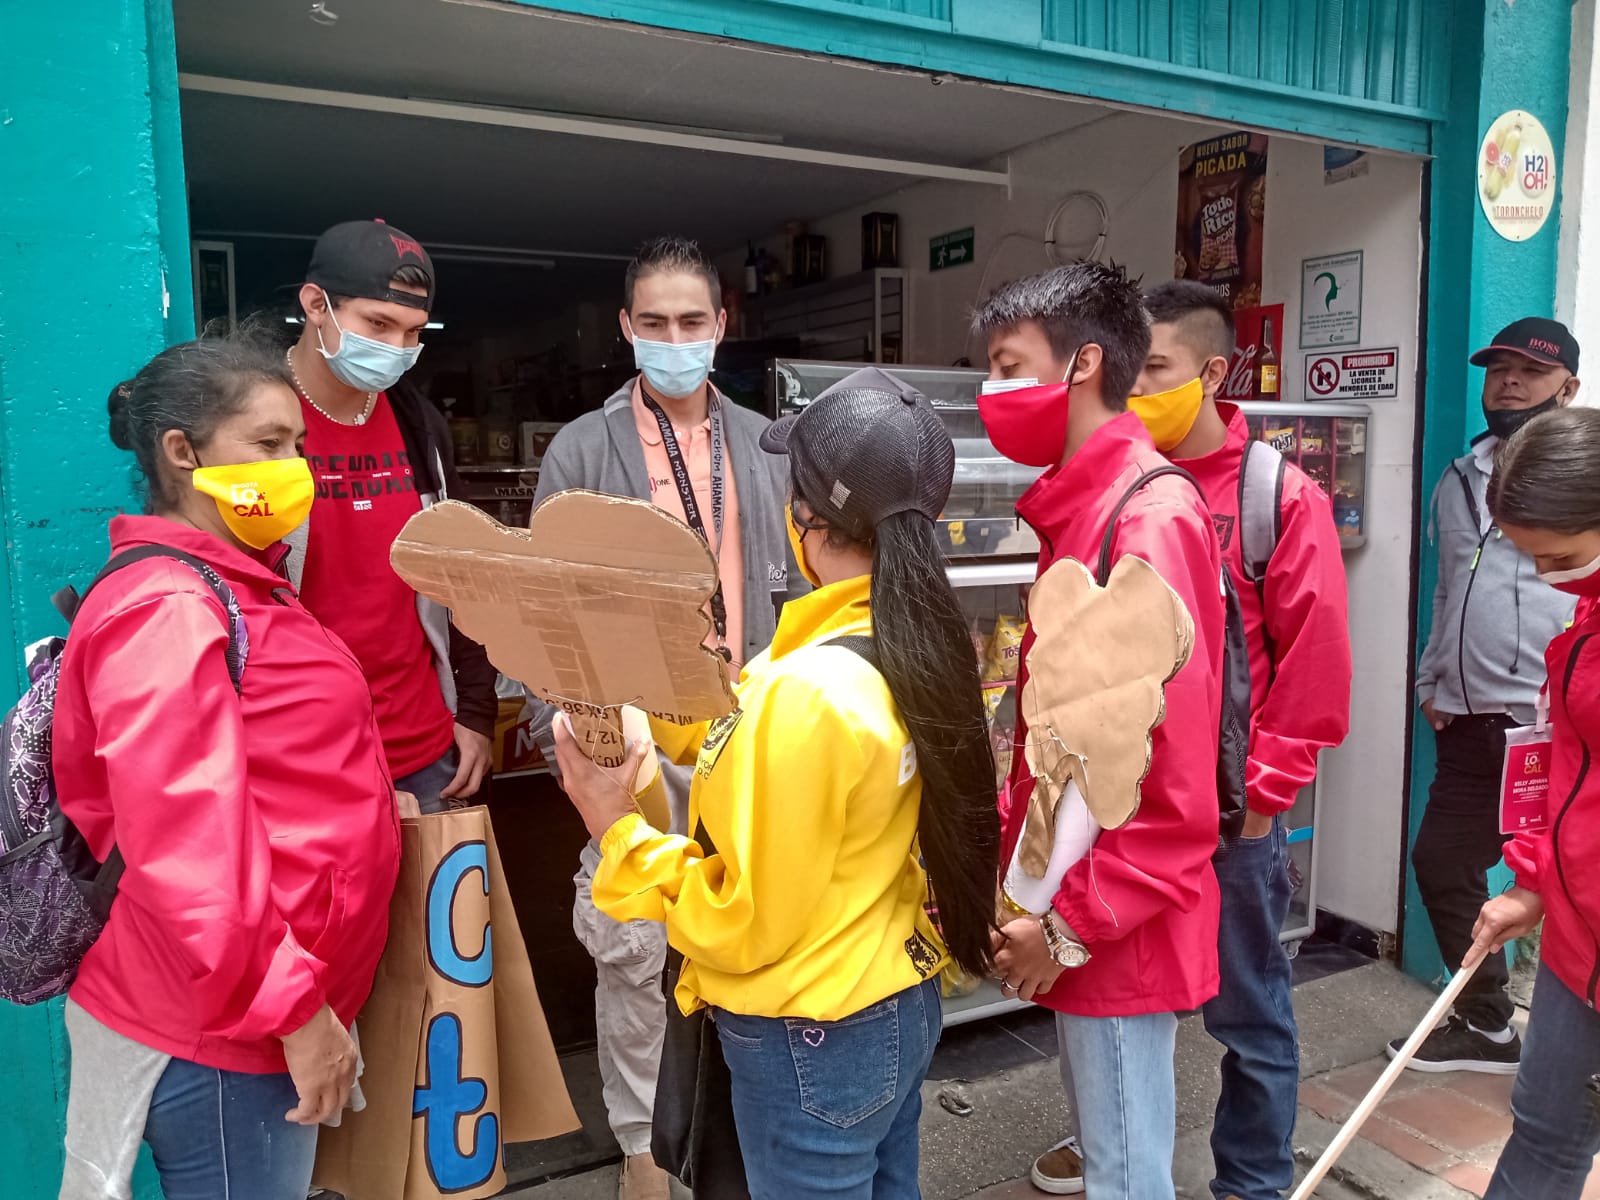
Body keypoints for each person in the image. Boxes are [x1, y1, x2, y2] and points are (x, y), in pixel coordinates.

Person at [550, 373, 1001, 1200]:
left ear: (810, 522)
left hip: (813, 1033)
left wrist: (613, 823)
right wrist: (667, 698)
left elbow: (742, 921)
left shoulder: (814, 690)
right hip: (890, 995)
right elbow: (747, 723)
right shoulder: (898, 640)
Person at [54, 335, 401, 1200]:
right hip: (225, 1025)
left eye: (299, 447)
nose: (296, 469)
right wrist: (296, 1014)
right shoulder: (169, 606)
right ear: (183, 451)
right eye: (270, 444)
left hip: (253, 1005)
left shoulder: (240, 585)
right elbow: (189, 848)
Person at [530, 235, 791, 1200]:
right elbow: (547, 609)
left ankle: (730, 1123)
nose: (674, 339)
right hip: (637, 740)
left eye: (693, 322)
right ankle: (640, 1145)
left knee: (748, 927)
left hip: (752, 736)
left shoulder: (769, 443)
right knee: (635, 946)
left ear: (722, 325)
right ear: (627, 329)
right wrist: (588, 733)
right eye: (655, 323)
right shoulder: (582, 450)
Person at [973, 262, 1226, 1200]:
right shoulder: (1085, 507)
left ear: (1081, 363)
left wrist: (1070, 925)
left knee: (1125, 1172)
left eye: (1010, 365)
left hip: (1117, 915)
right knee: (1107, 1147)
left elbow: (1171, 782)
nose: (994, 392)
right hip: (1083, 897)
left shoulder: (1145, 523)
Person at [1115, 281, 1351, 1200]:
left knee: (1249, 1017)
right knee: (1125, 1004)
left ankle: (1251, 1182)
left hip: (1227, 822)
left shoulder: (1275, 498)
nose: (1135, 390)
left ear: (1213, 374)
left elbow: (1316, 668)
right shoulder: (1128, 479)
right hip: (1129, 810)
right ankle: (1116, 1144)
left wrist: (1264, 800)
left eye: (1155, 371)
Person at [1397, 317, 1580, 1073]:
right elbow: (1448, 594)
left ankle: (1574, 1045)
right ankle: (1488, 1026)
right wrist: (1431, 678)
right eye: (1497, 368)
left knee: (1573, 878)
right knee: (1441, 863)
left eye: (1529, 372)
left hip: (1554, 730)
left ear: (1569, 388)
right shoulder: (1460, 476)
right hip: (1472, 725)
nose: (1508, 381)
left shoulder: (1583, 484)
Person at [284, 219, 496, 812]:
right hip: (301, 761)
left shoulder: (418, 423)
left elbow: (459, 572)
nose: (397, 349)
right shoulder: (256, 423)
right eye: (377, 324)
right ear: (315, 304)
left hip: (426, 751)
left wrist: (475, 709)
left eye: (412, 331)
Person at [1462, 405, 1600, 1199]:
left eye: (1563, 557)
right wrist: (1536, 885)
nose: (1551, 578)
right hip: (1580, 944)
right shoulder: (1591, 607)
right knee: (1545, 1132)